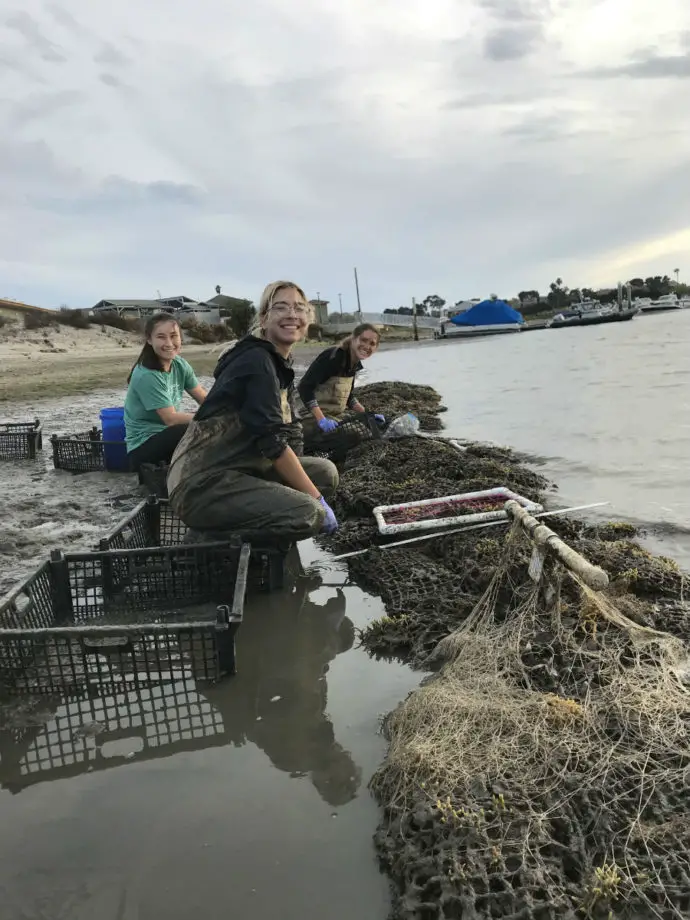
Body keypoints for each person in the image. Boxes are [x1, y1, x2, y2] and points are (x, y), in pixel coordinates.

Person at [167, 281, 339, 542]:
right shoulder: (256, 361)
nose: (292, 315)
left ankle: (253, 519)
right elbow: (272, 441)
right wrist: (315, 499)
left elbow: (290, 433)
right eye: (281, 307)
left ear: (307, 318)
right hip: (202, 485)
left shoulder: (279, 363)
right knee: (309, 513)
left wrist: (302, 489)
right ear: (264, 318)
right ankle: (208, 539)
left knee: (325, 473)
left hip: (243, 470)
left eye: (299, 308)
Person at [124, 313, 207, 472]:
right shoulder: (146, 374)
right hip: (143, 447)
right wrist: (209, 417)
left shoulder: (180, 364)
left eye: (173, 336)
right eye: (161, 337)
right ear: (149, 340)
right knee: (194, 428)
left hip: (166, 436)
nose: (169, 343)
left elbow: (203, 397)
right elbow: (171, 419)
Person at [297, 323, 383, 449]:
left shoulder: (354, 363)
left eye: (372, 344)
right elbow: (304, 387)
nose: (367, 346)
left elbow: (349, 397)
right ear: (353, 338)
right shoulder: (334, 357)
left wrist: (367, 415)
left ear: (376, 348)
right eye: (363, 340)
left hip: (334, 415)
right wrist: (321, 420)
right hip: (308, 417)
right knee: (356, 434)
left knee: (367, 427)